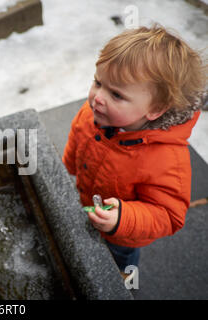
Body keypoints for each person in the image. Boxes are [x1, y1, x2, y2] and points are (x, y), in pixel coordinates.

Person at [62, 25, 206, 276]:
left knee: (118, 260)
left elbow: (168, 215)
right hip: (88, 198)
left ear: (155, 109)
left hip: (122, 235)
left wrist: (123, 220)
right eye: (98, 82)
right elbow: (77, 136)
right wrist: (66, 168)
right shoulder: (93, 114)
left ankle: (124, 277)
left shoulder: (166, 159)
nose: (98, 97)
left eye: (116, 94)